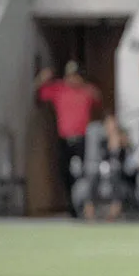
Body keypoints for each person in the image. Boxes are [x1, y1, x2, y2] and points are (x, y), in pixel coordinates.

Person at [36, 61, 102, 216]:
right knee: (65, 172)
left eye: (76, 76)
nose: (73, 79)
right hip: (65, 139)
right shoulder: (59, 89)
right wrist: (42, 79)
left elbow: (98, 98)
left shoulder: (86, 91)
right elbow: (40, 93)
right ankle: (73, 206)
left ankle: (86, 204)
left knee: (85, 173)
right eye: (71, 76)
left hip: (82, 139)